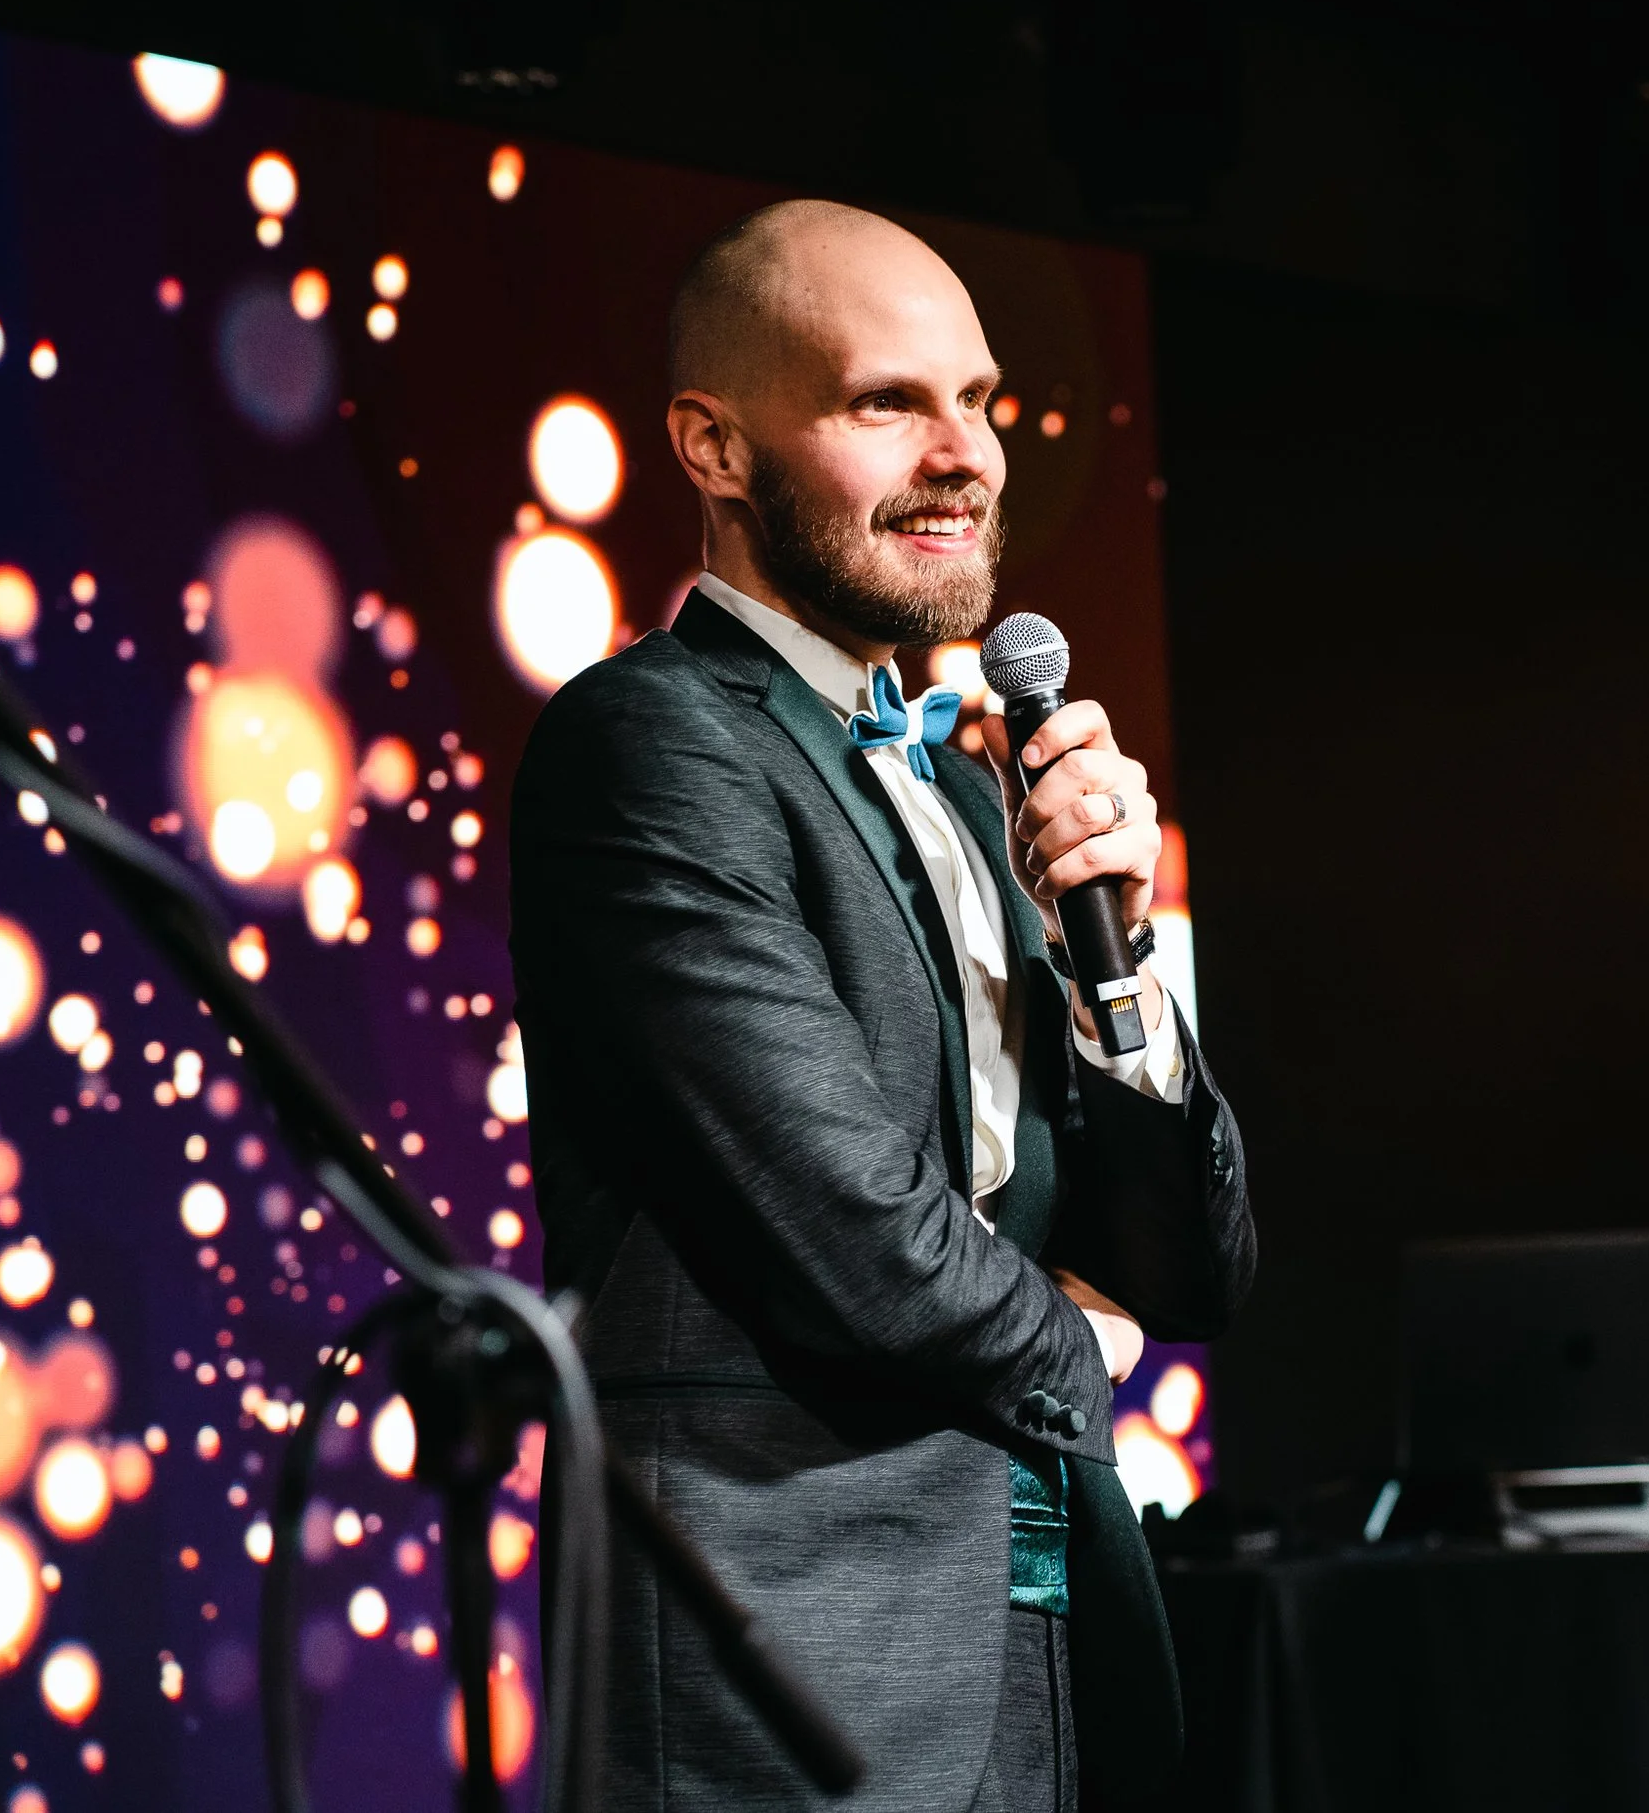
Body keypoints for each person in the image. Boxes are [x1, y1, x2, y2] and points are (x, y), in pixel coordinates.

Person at [509, 200, 1255, 1813]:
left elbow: (1192, 1264)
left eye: (979, 403)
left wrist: (1117, 962)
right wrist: (1078, 1340)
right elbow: (836, 1215)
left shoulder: (982, 785)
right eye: (885, 403)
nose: (965, 454)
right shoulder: (651, 745)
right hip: (777, 1640)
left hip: (1030, 1634)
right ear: (712, 443)